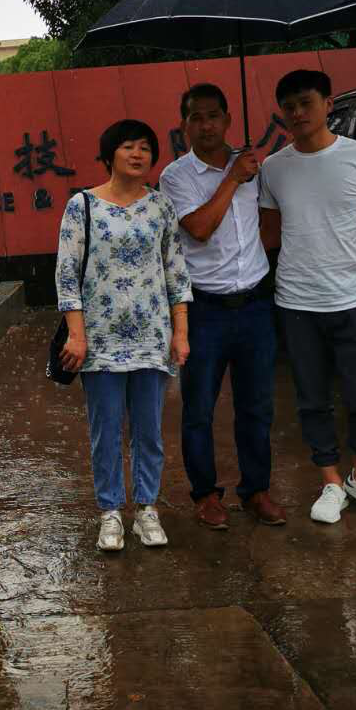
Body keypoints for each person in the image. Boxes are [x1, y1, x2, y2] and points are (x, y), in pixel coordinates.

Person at [258, 68, 356, 524]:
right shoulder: (273, 168)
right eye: (289, 107)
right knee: (311, 398)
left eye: (306, 103)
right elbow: (268, 236)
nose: (298, 113)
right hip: (297, 302)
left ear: (328, 104)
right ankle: (331, 481)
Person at [55, 118, 192, 552]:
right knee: (106, 430)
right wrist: (76, 336)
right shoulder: (82, 206)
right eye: (129, 146)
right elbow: (67, 276)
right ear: (109, 153)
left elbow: (176, 274)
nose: (138, 154)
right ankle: (111, 512)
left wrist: (181, 332)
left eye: (146, 148)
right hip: (100, 342)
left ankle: (147, 509)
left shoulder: (161, 207)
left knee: (149, 431)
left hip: (152, 338)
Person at [159, 84, 286, 529]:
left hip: (255, 305)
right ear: (184, 125)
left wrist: (244, 174)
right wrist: (232, 178)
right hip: (205, 310)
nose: (206, 125)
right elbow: (198, 227)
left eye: (213, 115)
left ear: (228, 119)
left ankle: (257, 490)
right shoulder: (176, 177)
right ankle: (206, 495)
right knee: (199, 409)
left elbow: (271, 222)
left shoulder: (254, 167)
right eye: (196, 117)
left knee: (257, 405)